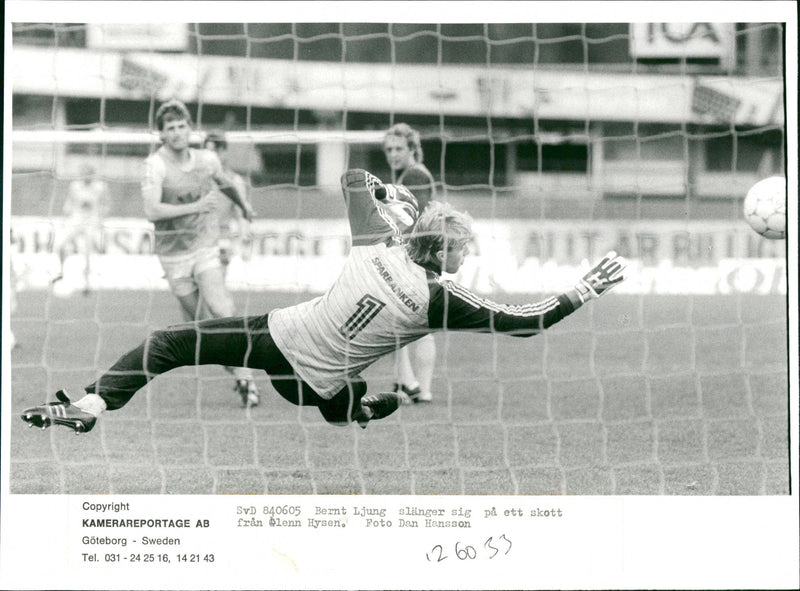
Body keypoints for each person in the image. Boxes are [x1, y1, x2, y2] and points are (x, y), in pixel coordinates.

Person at [20, 168, 627, 434]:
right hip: (316, 385)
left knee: (169, 344)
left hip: (278, 338)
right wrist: (584, 288)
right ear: (443, 254)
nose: (465, 262)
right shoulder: (439, 298)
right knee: (341, 402)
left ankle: (93, 402)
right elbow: (526, 322)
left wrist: (391, 195)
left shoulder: (375, 241)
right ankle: (361, 409)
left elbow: (352, 178)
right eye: (462, 253)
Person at [141, 99, 259, 408]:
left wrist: (244, 206)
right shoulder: (155, 166)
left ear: (190, 129)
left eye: (182, 126)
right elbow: (152, 210)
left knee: (222, 310)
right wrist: (195, 206)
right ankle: (238, 370)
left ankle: (246, 377)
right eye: (171, 128)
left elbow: (226, 183)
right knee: (200, 328)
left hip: (205, 246)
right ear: (162, 134)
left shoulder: (206, 160)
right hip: (173, 256)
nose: (178, 132)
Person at [383, 123, 438, 404]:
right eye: (389, 149)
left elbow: (411, 221)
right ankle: (412, 386)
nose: (393, 154)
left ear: (413, 149)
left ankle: (410, 384)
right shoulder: (412, 174)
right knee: (416, 325)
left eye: (399, 148)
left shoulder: (415, 175)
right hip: (424, 258)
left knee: (396, 323)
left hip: (415, 259)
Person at [52, 163, 109, 294]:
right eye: (83, 173)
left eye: (88, 173)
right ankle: (61, 272)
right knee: (60, 246)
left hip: (92, 222)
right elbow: (69, 202)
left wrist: (101, 218)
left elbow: (106, 204)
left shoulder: (101, 187)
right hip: (75, 220)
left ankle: (87, 284)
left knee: (87, 252)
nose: (86, 176)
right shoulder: (75, 186)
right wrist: (65, 215)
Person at [202, 132, 253, 276]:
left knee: (216, 288)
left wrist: (245, 239)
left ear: (223, 151)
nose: (211, 156)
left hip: (221, 238)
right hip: (198, 239)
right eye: (208, 151)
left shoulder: (235, 181)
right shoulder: (196, 178)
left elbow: (241, 213)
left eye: (215, 151)